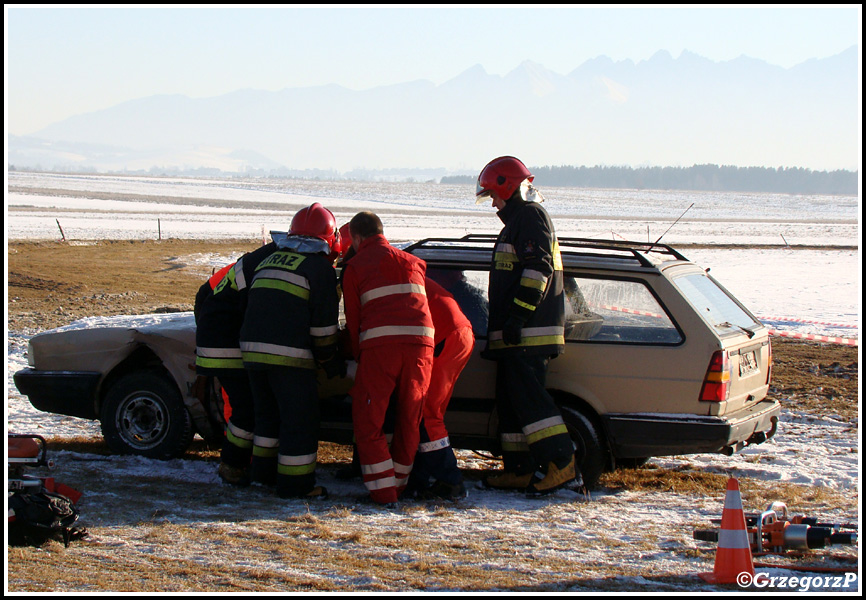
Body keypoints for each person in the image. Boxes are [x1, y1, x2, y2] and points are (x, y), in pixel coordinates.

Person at [474, 156, 581, 497]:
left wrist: (518, 317)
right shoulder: (517, 221)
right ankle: (519, 469)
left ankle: (561, 463)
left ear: (508, 186)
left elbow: (538, 271)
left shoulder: (530, 218)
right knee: (513, 405)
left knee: (533, 405)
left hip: (528, 335)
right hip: (514, 338)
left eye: (493, 194)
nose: (492, 202)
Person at [238, 203, 344, 500]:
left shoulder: (270, 259)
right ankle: (296, 486)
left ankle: (262, 476)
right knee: (299, 421)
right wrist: (330, 361)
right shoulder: (319, 268)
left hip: (252, 354)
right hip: (290, 358)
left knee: (267, 418)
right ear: (329, 237)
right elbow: (323, 331)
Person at [341, 211, 434, 506]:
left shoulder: (355, 266)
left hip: (382, 349)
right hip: (422, 347)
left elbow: (354, 320)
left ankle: (383, 494)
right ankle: (399, 484)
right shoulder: (413, 262)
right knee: (410, 417)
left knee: (368, 420)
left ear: (356, 238)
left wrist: (356, 355)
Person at [406, 275, 475, 500]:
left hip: (447, 335)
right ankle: (420, 479)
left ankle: (450, 480)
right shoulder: (403, 271)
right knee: (427, 412)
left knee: (426, 413)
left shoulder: (384, 276)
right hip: (457, 333)